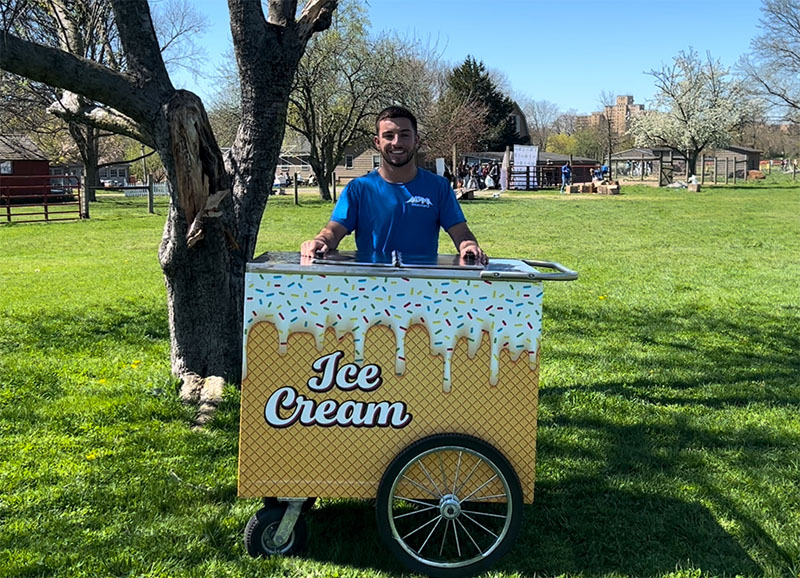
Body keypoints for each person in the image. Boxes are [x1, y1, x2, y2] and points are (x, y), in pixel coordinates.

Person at [301, 106, 487, 263]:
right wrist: (319, 240)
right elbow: (333, 231)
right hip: (369, 287)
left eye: (405, 135)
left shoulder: (439, 187)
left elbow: (461, 232)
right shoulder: (359, 189)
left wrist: (469, 246)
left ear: (417, 140)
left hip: (423, 288)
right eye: (389, 136)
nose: (397, 142)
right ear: (377, 142)